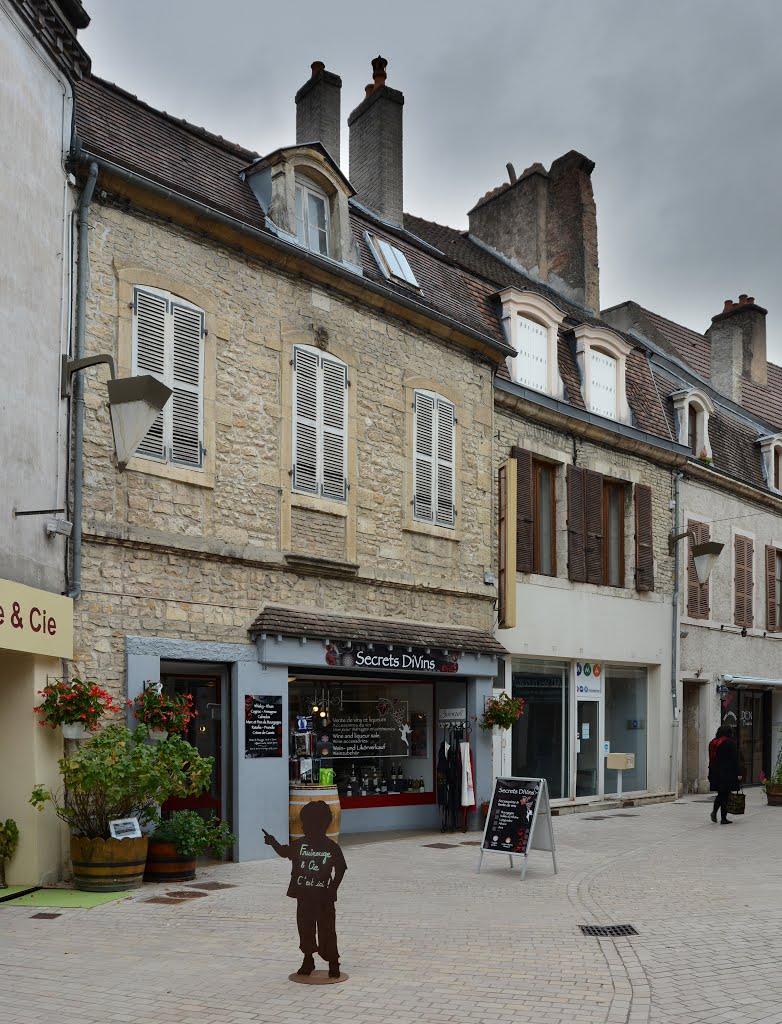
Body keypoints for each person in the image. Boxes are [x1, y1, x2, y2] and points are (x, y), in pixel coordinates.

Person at [263, 800, 347, 978]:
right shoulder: (300, 845)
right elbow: (285, 852)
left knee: (327, 929)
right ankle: (308, 959)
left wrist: (333, 888)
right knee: (305, 928)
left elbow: (341, 869)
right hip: (304, 896)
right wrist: (273, 842)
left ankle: (333, 962)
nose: (302, 826)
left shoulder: (331, 847)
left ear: (317, 824)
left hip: (324, 897)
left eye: (306, 823)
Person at [709, 725, 741, 824]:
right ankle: (723, 818)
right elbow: (734, 760)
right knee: (725, 795)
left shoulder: (713, 743)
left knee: (721, 794)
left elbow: (712, 758)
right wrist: (738, 773)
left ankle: (715, 812)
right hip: (727, 773)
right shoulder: (730, 743)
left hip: (715, 772)